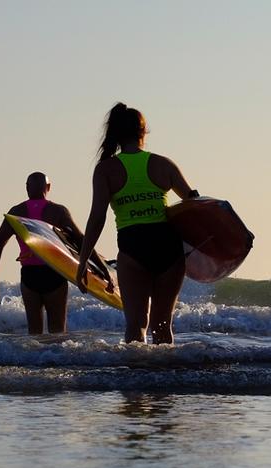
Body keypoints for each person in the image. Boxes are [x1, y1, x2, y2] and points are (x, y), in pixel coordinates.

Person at [76, 103, 198, 344]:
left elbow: (97, 219)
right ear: (144, 132)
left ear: (118, 135)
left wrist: (83, 262)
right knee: (163, 326)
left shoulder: (106, 170)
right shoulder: (164, 164)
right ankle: (165, 379)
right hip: (168, 248)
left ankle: (136, 378)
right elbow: (194, 205)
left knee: (136, 327)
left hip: (133, 249)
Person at [0, 172, 107, 335]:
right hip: (54, 273)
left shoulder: (16, 212)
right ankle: (55, 360)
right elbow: (82, 242)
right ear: (48, 187)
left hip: (29, 275)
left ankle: (38, 361)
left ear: (27, 188)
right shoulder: (58, 211)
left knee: (34, 334)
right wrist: (102, 269)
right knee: (58, 332)